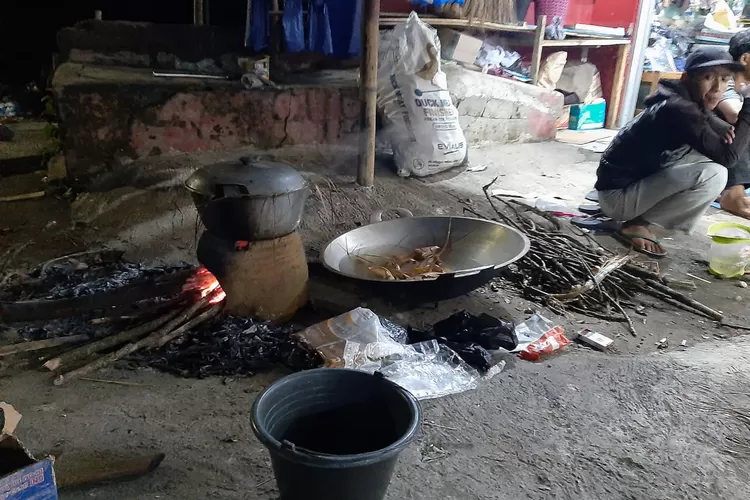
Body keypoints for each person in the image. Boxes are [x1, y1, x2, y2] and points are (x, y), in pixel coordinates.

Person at [595, 47, 750, 257]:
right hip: (618, 199)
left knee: (714, 152)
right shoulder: (679, 109)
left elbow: (709, 120)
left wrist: (721, 126)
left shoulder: (680, 97)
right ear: (688, 78)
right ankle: (638, 223)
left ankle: (643, 216)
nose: (717, 88)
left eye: (724, 79)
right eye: (708, 77)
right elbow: (729, 157)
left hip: (621, 186)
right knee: (714, 174)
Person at [716, 29, 750, 218]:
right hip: (698, 147)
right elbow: (733, 113)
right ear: (745, 59)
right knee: (742, 126)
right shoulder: (723, 78)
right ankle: (733, 195)